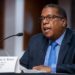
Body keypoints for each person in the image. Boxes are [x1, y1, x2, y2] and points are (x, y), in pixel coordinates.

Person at [20, 4, 75, 73]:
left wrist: (52, 69)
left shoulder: (73, 39)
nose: (44, 22)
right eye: (42, 18)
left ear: (63, 22)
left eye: (49, 17)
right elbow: (22, 66)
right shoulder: (35, 40)